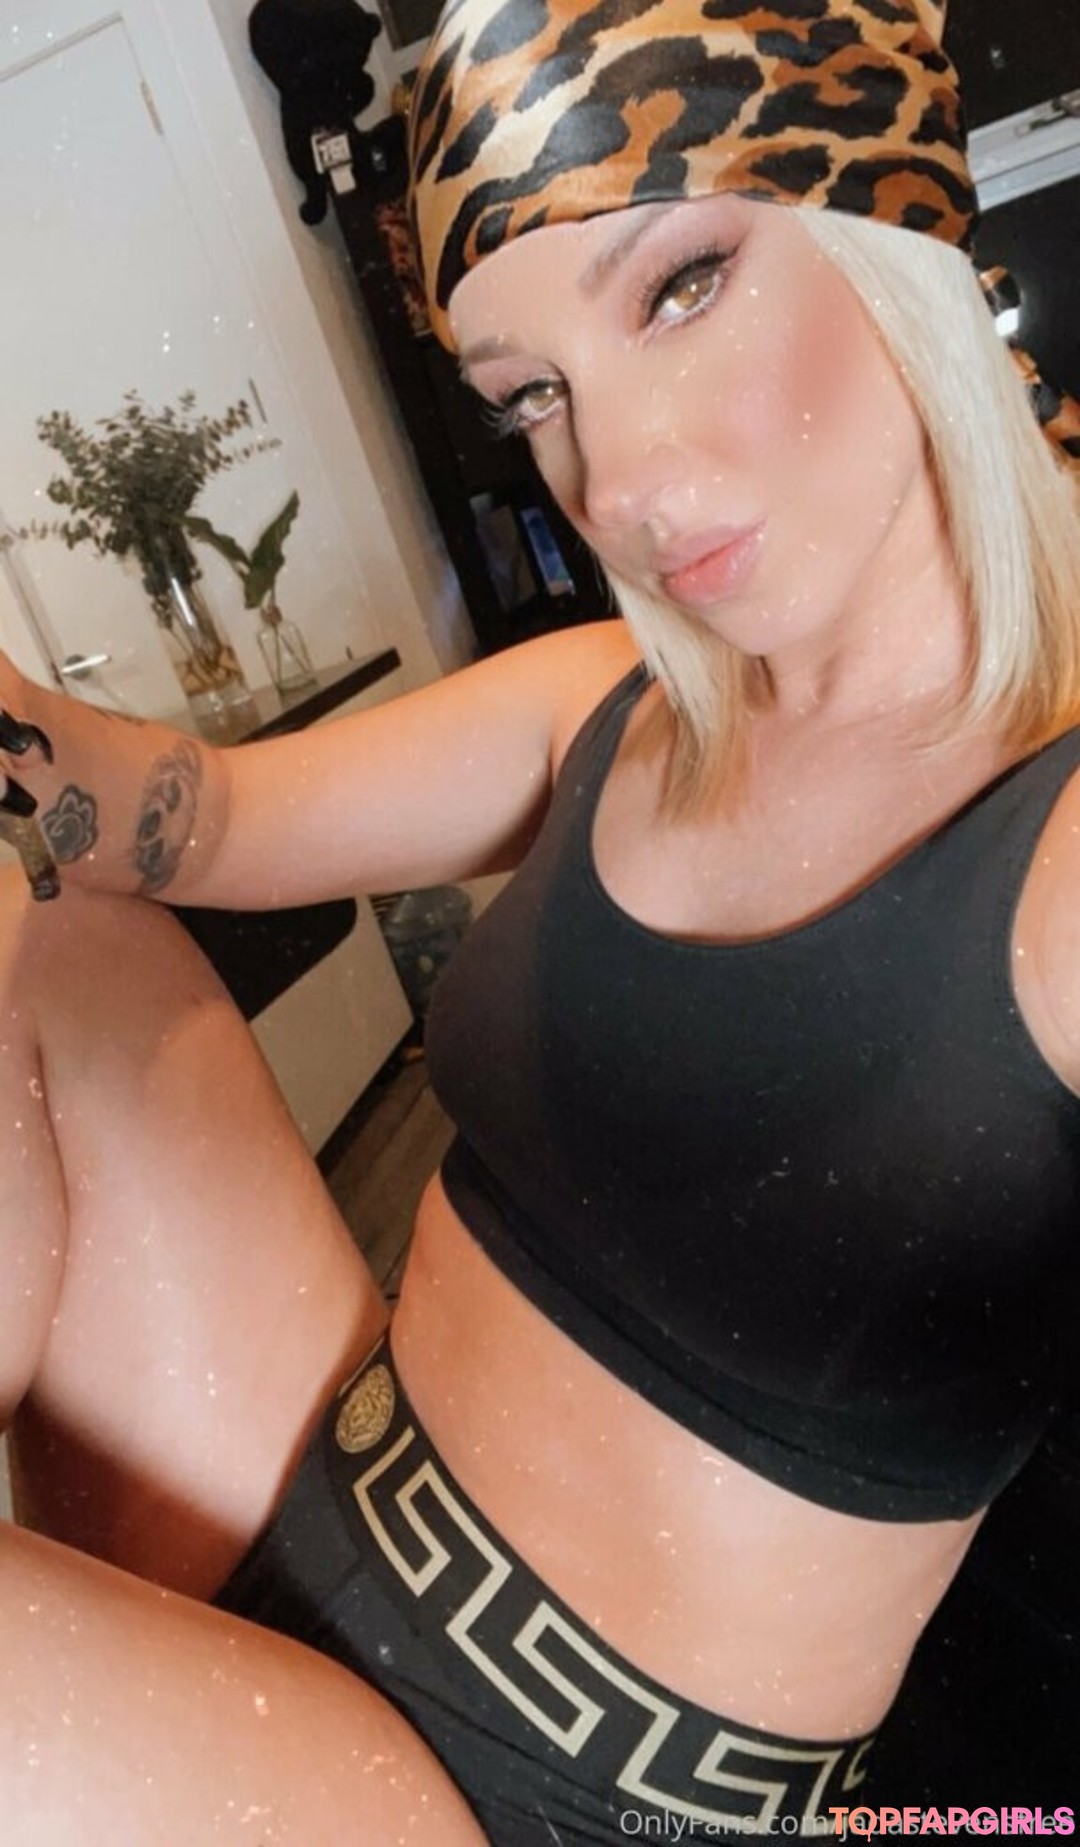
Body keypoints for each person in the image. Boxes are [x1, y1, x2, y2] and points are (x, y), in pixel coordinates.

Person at [2, 0, 1079, 1837]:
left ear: (890, 231)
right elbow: (197, 816)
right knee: (65, 946)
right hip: (307, 1520)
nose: (619, 485)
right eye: (533, 397)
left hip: (549, 1801)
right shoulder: (605, 711)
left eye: (682, 288)